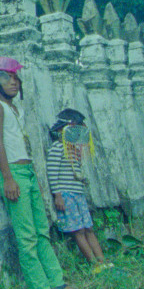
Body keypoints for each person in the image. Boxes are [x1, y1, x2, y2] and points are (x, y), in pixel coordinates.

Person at [0, 57, 87, 289]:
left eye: (16, 78)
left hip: (28, 172)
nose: (13, 82)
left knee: (42, 231)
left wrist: (35, 179)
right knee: (27, 236)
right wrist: (8, 178)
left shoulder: (15, 109)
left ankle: (57, 283)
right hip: (14, 174)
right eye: (7, 77)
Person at [47, 109, 111, 274]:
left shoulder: (73, 150)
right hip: (67, 195)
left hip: (78, 194)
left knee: (89, 228)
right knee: (79, 231)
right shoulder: (58, 147)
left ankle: (102, 261)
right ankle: (93, 264)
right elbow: (52, 172)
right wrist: (58, 195)